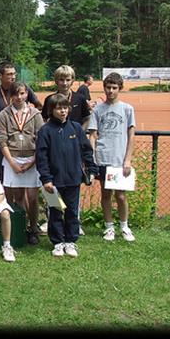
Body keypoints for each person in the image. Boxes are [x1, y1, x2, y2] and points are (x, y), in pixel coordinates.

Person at [36, 94, 98, 257]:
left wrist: (91, 170)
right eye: (58, 108)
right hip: (53, 183)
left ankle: (70, 241)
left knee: (71, 211)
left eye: (65, 107)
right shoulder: (45, 131)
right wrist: (46, 179)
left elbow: (86, 151)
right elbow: (41, 158)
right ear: (51, 110)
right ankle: (57, 242)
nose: (62, 111)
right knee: (55, 211)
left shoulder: (76, 128)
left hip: (73, 179)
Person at [0, 61, 42, 214]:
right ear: (0, 76)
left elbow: (39, 106)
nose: (12, 77)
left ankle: (31, 223)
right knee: (5, 184)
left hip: (28, 149)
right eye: (9, 74)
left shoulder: (25, 90)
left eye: (14, 74)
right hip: (5, 146)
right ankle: (10, 218)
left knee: (30, 192)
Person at [88, 72, 136, 242]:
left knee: (121, 196)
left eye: (114, 87)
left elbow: (131, 136)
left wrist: (127, 159)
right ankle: (109, 227)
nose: (110, 91)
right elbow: (92, 135)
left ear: (120, 88)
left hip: (119, 158)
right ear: (104, 88)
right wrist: (92, 159)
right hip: (103, 157)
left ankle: (124, 225)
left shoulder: (127, 109)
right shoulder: (97, 110)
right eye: (108, 87)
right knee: (106, 194)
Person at [0, 81, 44, 245]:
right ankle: (19, 228)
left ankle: (33, 228)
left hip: (32, 159)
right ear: (10, 96)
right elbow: (1, 139)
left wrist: (32, 162)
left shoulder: (35, 114)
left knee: (32, 196)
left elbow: (42, 139)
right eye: (15, 94)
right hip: (12, 158)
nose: (19, 97)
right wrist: (12, 162)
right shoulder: (4, 114)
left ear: (27, 94)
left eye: (22, 93)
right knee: (14, 196)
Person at [41, 65, 91, 129]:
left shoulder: (80, 98)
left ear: (72, 80)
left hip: (74, 137)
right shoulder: (49, 99)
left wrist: (80, 132)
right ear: (56, 81)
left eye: (68, 80)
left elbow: (87, 118)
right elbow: (44, 119)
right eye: (61, 80)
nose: (65, 83)